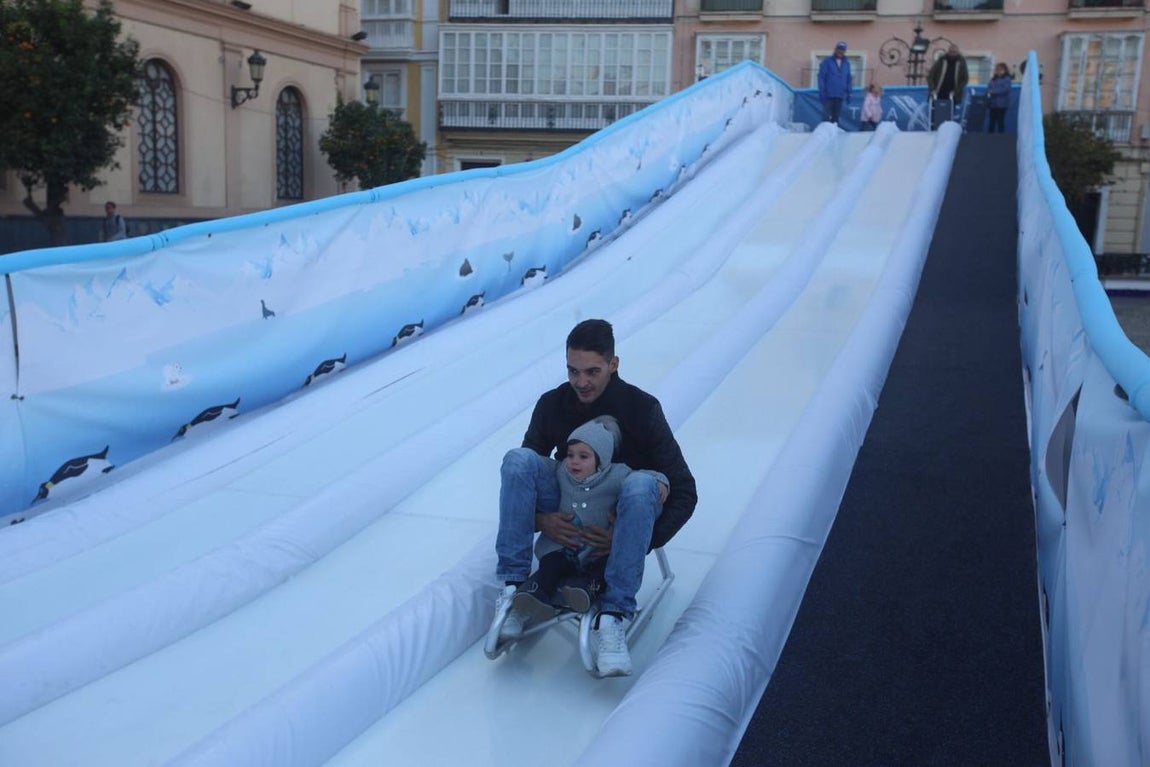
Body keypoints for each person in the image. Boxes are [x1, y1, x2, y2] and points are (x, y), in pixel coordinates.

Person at [494, 319, 697, 677]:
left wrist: (635, 540)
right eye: (573, 371)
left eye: (592, 371)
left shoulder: (642, 409)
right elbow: (528, 475)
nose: (581, 382)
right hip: (571, 507)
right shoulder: (553, 404)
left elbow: (684, 491)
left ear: (613, 364)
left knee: (639, 485)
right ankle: (513, 588)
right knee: (517, 461)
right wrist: (542, 521)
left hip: (622, 512)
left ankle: (615, 614)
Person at [499, 417, 670, 652]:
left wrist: (660, 481)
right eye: (570, 455)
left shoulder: (617, 475)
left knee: (597, 576)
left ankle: (594, 602)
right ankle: (524, 601)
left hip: (597, 552)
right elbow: (535, 467)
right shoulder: (561, 472)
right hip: (562, 549)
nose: (574, 462)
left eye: (583, 456)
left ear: (601, 459)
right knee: (550, 567)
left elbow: (642, 479)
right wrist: (537, 517)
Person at [927, 44, 969, 130]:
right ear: (948, 52)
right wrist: (933, 89)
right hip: (939, 90)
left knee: (950, 112)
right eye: (951, 52)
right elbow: (931, 75)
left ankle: (947, 130)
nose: (952, 54)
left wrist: (956, 90)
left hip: (952, 92)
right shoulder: (941, 60)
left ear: (957, 52)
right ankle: (934, 129)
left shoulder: (961, 61)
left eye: (954, 52)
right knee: (936, 111)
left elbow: (965, 78)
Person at [817, 41, 852, 126]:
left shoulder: (847, 64)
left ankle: (833, 134)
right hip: (828, 94)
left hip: (840, 94)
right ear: (835, 49)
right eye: (839, 49)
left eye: (843, 49)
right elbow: (821, 77)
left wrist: (849, 93)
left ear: (845, 51)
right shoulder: (827, 61)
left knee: (836, 118)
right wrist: (822, 91)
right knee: (826, 117)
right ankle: (824, 135)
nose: (840, 51)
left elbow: (848, 79)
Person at [985, 62, 1012, 134]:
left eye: (1001, 70)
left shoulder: (1007, 79)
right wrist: (988, 91)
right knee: (992, 121)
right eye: (997, 70)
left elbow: (1005, 90)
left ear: (1005, 70)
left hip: (1002, 105)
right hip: (993, 104)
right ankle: (989, 137)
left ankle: (1001, 137)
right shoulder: (993, 79)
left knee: (1000, 121)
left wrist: (993, 91)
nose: (999, 71)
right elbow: (988, 88)